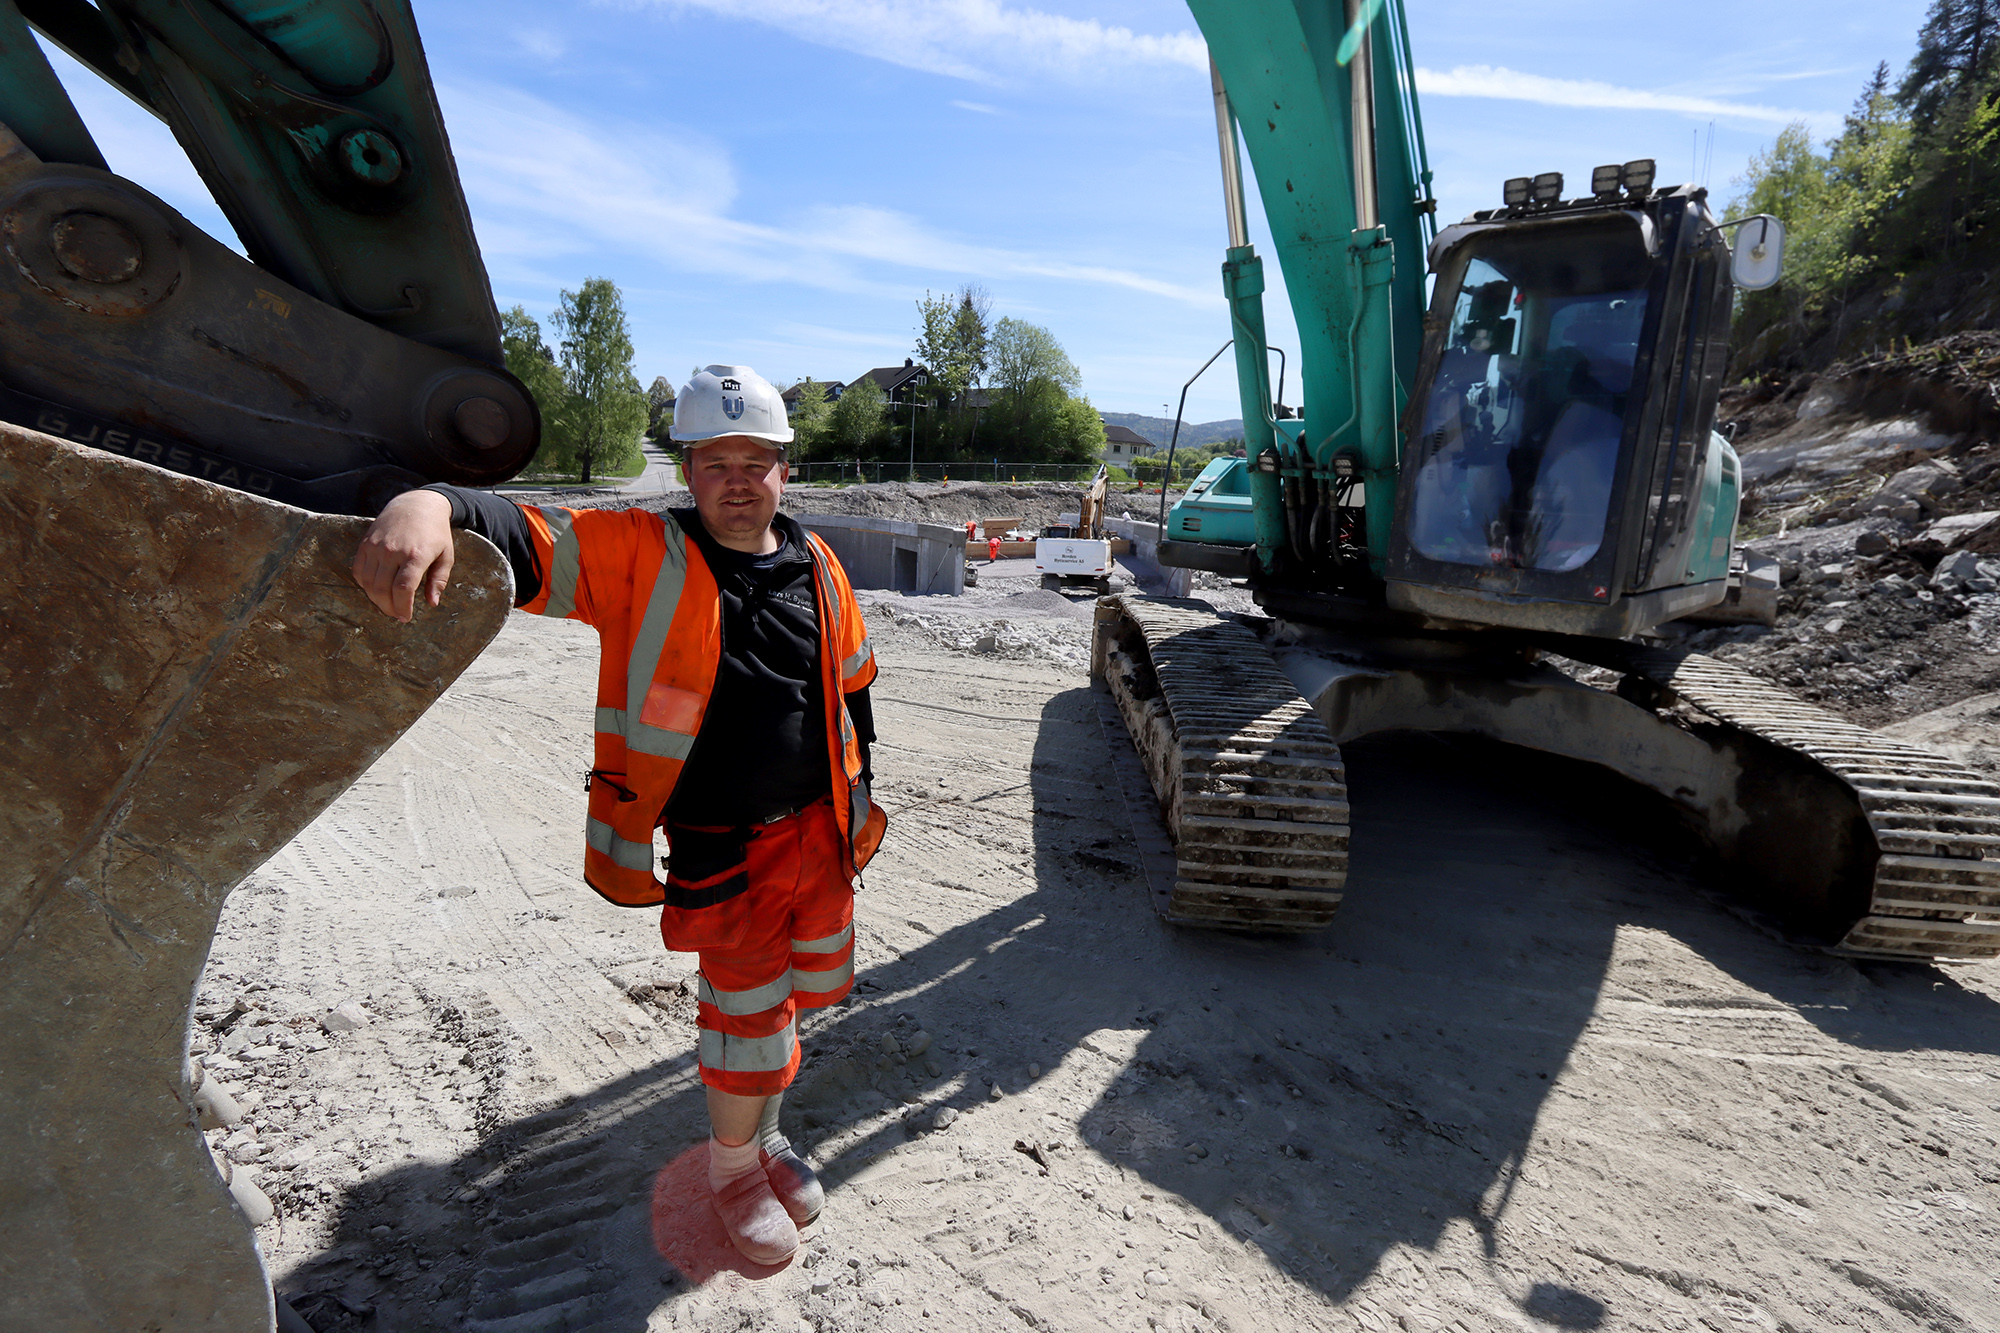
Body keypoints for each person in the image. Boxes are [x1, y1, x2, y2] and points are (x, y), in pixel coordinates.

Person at [351, 364, 885, 1267]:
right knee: (743, 1013)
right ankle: (730, 1170)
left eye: (756, 459)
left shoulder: (818, 562)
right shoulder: (641, 552)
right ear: (687, 469)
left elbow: (854, 691)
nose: (739, 479)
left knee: (793, 998)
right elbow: (523, 537)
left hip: (820, 839)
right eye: (716, 461)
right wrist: (430, 501)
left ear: (785, 469)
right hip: (726, 843)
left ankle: (766, 1137)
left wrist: (860, 813)